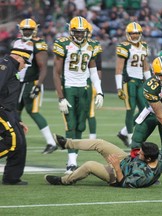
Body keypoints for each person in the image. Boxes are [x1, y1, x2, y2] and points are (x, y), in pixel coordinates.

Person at [53, 16, 104, 174]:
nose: (80, 35)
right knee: (71, 125)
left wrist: (99, 90)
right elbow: (56, 72)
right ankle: (71, 162)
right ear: (71, 31)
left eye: (82, 32)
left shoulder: (92, 46)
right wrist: (60, 96)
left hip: (85, 88)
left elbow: (93, 70)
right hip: (69, 87)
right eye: (77, 32)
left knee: (81, 126)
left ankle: (74, 158)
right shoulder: (64, 44)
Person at [44, 134, 162, 188]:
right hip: (125, 160)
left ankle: (64, 181)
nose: (139, 152)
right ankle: (66, 143)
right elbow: (161, 167)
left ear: (149, 159)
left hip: (117, 175)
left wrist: (116, 167)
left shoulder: (142, 174)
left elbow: (124, 184)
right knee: (100, 143)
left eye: (142, 153)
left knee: (89, 165)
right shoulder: (160, 157)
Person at [11, 18, 57, 154]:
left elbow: (43, 67)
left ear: (34, 30)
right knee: (14, 112)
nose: (27, 32)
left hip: (31, 82)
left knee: (33, 111)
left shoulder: (39, 44)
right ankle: (16, 141)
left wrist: (38, 85)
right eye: (25, 30)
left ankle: (51, 142)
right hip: (17, 82)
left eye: (29, 30)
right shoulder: (17, 42)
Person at [115, 22, 151, 147]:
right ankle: (130, 138)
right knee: (130, 110)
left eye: (137, 33)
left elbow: (146, 66)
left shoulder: (144, 46)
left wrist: (151, 82)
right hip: (129, 81)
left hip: (141, 82)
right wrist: (119, 87)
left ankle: (124, 132)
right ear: (128, 34)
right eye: (132, 33)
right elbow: (119, 68)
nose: (135, 36)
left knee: (145, 110)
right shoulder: (124, 47)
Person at [0, 48, 31, 185]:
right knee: (12, 142)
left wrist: (18, 120)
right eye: (24, 62)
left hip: (9, 112)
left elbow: (10, 98)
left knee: (20, 143)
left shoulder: (12, 68)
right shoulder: (5, 65)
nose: (24, 66)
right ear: (18, 58)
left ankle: (11, 178)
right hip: (2, 110)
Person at [86, 23, 103, 139]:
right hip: (74, 83)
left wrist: (98, 89)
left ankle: (92, 138)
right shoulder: (70, 46)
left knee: (90, 112)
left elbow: (98, 68)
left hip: (89, 81)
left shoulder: (94, 46)